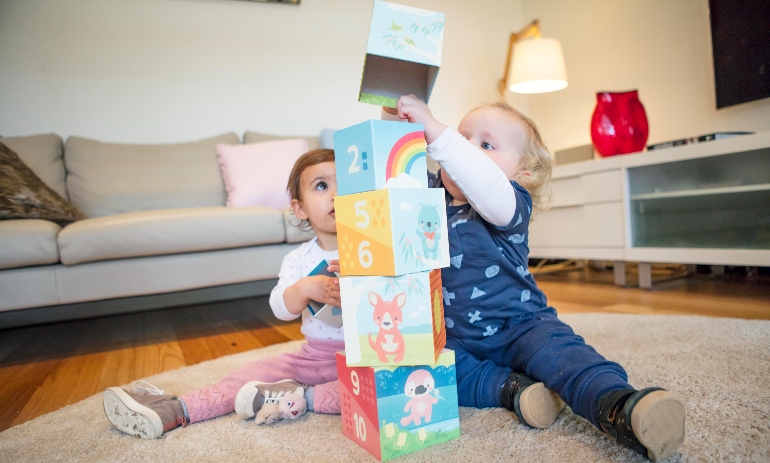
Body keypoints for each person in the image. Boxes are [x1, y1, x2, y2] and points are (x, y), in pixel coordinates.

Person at [382, 95, 686, 462]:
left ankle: (621, 407)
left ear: (523, 173)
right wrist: (391, 113)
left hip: (522, 324)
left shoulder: (509, 201)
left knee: (562, 356)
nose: (467, 150)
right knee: (428, 376)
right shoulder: (431, 197)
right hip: (454, 336)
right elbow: (394, 167)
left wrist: (435, 129)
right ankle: (512, 389)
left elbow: (482, 181)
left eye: (486, 144)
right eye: (463, 140)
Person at [102, 149, 345, 438]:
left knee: (390, 386)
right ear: (300, 208)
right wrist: (304, 288)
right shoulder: (298, 258)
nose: (336, 195)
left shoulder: (376, 248)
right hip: (311, 357)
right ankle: (174, 410)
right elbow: (281, 308)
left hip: (368, 357)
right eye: (321, 186)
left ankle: (301, 399)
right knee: (248, 376)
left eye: (346, 184)